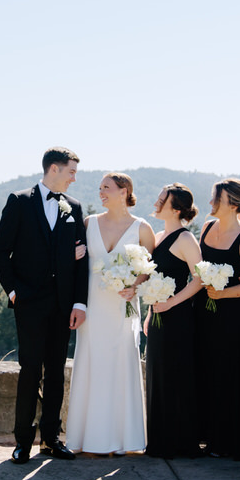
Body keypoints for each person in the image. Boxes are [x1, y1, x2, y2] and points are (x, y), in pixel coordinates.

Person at [0, 147, 89, 464]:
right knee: (30, 370)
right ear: (53, 169)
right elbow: (1, 252)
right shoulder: (19, 201)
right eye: (71, 171)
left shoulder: (73, 207)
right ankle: (22, 441)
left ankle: (51, 439)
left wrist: (79, 302)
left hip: (63, 305)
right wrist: (13, 292)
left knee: (56, 373)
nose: (75, 178)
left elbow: (80, 259)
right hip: (29, 303)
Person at [66, 173, 153, 455]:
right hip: (92, 308)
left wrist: (134, 286)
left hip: (123, 309)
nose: (101, 192)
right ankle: (87, 439)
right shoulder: (89, 223)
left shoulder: (142, 228)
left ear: (123, 191)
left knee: (120, 366)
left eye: (107, 188)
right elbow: (75, 263)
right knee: (91, 365)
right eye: (100, 188)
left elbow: (149, 271)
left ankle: (123, 440)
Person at [198, 178, 240, 460]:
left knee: (228, 376)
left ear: (233, 203)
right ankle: (207, 437)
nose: (212, 202)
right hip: (202, 312)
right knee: (206, 372)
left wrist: (224, 295)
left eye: (217, 198)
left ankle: (228, 441)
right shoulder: (206, 227)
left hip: (232, 317)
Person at [143, 184, 205, 459]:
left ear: (176, 208)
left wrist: (170, 303)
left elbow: (199, 280)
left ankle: (179, 442)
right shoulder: (158, 236)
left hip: (178, 317)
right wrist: (149, 312)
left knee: (176, 377)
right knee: (158, 375)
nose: (156, 203)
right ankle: (159, 441)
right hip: (157, 314)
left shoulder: (186, 239)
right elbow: (154, 279)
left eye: (161, 200)